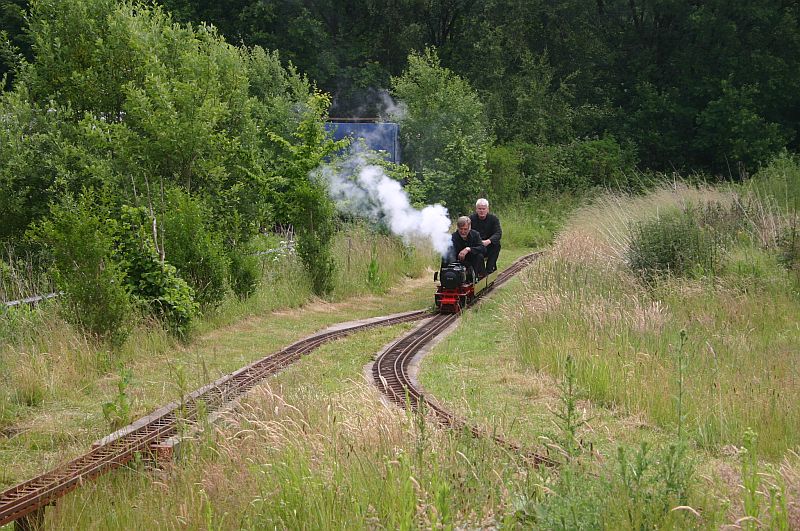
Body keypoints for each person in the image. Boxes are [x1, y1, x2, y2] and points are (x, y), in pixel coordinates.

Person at [469, 198, 502, 273]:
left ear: (487, 209)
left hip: (489, 245)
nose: (481, 211)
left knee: (497, 245)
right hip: (476, 246)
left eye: (483, 209)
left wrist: (488, 241)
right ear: (476, 209)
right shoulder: (471, 219)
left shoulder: (493, 219)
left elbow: (498, 233)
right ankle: (480, 272)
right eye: (479, 209)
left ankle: (490, 268)